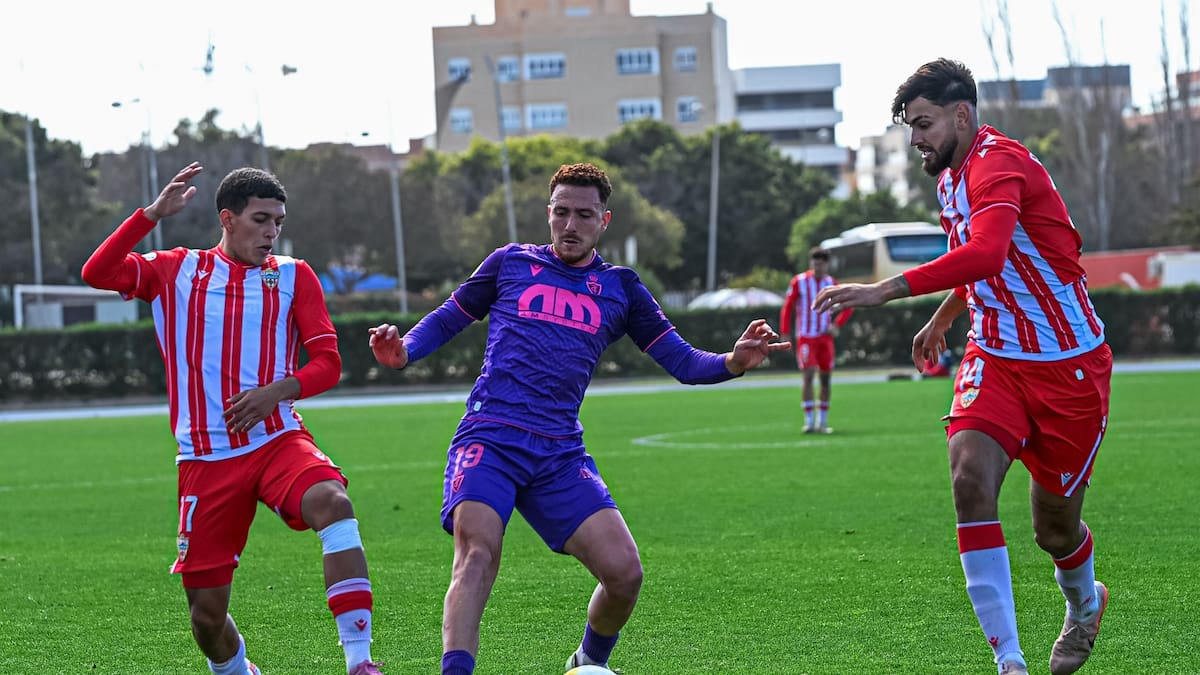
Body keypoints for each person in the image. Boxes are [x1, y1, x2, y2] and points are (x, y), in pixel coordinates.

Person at [367, 163, 790, 675]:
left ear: (604, 220)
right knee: (477, 553)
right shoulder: (509, 263)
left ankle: (587, 663)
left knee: (625, 574)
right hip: (490, 438)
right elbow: (447, 318)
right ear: (548, 213)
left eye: (584, 215)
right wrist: (404, 351)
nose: (571, 225)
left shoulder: (621, 289)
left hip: (559, 453)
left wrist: (732, 362)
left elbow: (681, 361)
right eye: (561, 212)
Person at [812, 59, 1112, 675]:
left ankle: (1084, 602)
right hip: (995, 356)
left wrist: (885, 290)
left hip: (1069, 366)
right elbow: (976, 262)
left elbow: (990, 249)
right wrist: (947, 317)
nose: (916, 138)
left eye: (923, 124)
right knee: (969, 479)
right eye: (909, 127)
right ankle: (1009, 662)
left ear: (962, 115)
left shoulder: (1000, 161)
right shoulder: (950, 175)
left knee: (1054, 530)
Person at [81, 163, 383, 675]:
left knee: (333, 503)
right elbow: (98, 272)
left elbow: (328, 363)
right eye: (261, 219)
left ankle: (360, 663)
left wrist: (276, 393)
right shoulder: (176, 270)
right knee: (206, 617)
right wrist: (151, 215)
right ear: (228, 218)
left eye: (279, 222)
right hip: (205, 457)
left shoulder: (292, 275)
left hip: (277, 439)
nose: (272, 232)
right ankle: (238, 672)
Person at [780, 246, 853, 433]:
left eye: (821, 264)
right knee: (808, 374)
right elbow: (788, 307)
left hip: (824, 338)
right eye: (815, 263)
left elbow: (847, 305)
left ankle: (822, 422)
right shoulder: (799, 282)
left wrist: (836, 325)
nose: (817, 267)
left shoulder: (831, 283)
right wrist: (785, 332)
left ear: (827, 265)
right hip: (806, 337)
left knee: (826, 378)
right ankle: (809, 421)